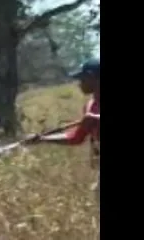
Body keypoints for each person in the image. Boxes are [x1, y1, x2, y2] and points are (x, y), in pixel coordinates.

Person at [24, 58, 100, 205]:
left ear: (93, 78)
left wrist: (96, 119)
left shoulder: (92, 113)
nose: (79, 83)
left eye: (82, 79)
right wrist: (42, 139)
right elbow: (76, 138)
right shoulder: (90, 105)